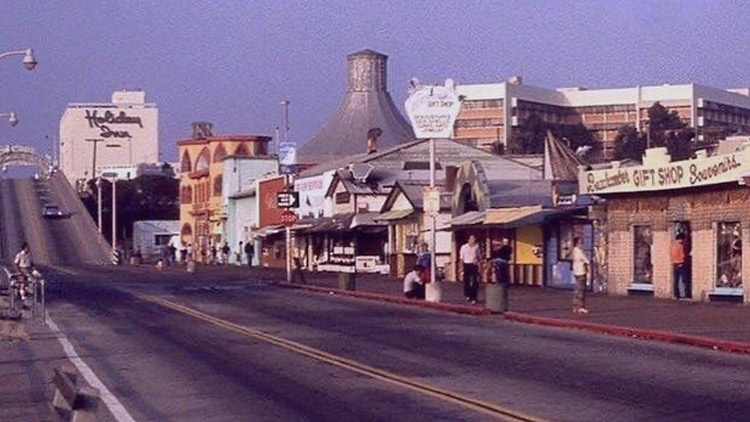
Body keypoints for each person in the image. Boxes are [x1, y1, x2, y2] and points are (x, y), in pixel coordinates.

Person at [459, 235, 481, 304]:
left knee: (475, 281)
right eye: (471, 239)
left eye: (474, 239)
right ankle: (467, 295)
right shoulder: (464, 247)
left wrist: (477, 261)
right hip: (466, 264)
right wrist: (461, 268)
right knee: (466, 281)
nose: (473, 240)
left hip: (473, 265)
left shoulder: (476, 247)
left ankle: (474, 297)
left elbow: (479, 256)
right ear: (468, 240)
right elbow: (461, 258)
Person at [571, 237, 590, 314]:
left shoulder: (574, 251)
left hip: (576, 272)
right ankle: (581, 307)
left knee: (577, 289)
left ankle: (575, 306)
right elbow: (586, 261)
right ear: (577, 243)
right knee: (581, 290)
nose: (582, 244)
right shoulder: (579, 251)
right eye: (580, 243)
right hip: (581, 272)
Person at [671, 233, 688, 299]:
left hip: (674, 264)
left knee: (676, 280)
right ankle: (685, 294)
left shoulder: (672, 245)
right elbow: (682, 255)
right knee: (684, 279)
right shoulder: (680, 246)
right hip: (681, 263)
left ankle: (676, 294)